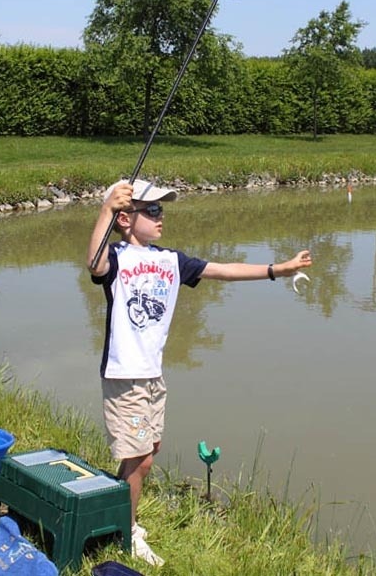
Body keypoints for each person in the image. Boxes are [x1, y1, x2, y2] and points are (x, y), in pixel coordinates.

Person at [87, 178, 312, 566]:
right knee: (139, 457)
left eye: (162, 209)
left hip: (152, 375)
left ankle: (122, 516)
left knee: (147, 453)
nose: (161, 217)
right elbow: (93, 264)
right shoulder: (117, 257)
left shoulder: (171, 260)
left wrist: (279, 269)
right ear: (126, 218)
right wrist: (105, 210)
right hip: (125, 375)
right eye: (153, 210)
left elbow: (224, 270)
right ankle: (126, 531)